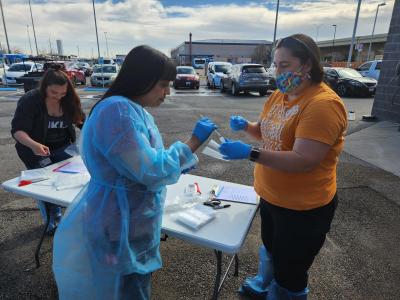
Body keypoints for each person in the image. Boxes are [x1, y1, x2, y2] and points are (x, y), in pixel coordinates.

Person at [52, 45, 217, 300]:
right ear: (143, 79)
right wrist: (193, 142)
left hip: (128, 216)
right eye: (163, 84)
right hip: (119, 221)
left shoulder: (132, 109)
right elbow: (150, 170)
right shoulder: (117, 111)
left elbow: (142, 161)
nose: (167, 92)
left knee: (131, 283)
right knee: (124, 288)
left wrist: (177, 163)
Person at [219, 34, 347, 299]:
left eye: (285, 65)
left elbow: (303, 159)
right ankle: (266, 283)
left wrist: (250, 154)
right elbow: (269, 133)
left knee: (291, 268)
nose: (277, 71)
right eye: (276, 64)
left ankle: (286, 292)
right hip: (271, 196)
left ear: (307, 64)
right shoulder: (280, 94)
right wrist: (247, 127)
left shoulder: (322, 104)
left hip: (303, 208)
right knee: (271, 248)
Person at [11, 67, 85, 233]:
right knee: (45, 185)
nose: (58, 96)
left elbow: (83, 122)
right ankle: (52, 219)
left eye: (62, 93)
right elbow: (17, 131)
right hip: (33, 148)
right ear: (44, 87)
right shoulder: (30, 100)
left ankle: (70, 209)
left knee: (73, 178)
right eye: (54, 93)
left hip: (63, 145)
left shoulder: (69, 100)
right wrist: (33, 145)